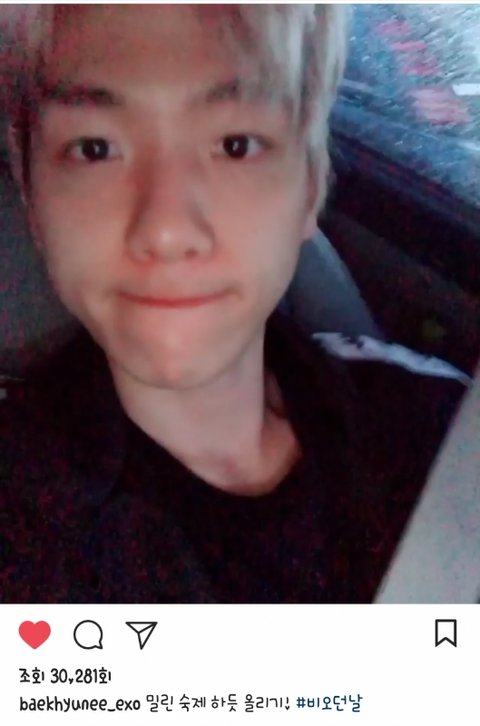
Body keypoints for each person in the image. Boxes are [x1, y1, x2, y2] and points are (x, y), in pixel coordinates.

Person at [0, 4, 470, 604]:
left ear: (310, 186)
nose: (167, 231)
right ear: (31, 196)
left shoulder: (437, 428)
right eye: (94, 149)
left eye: (236, 145)